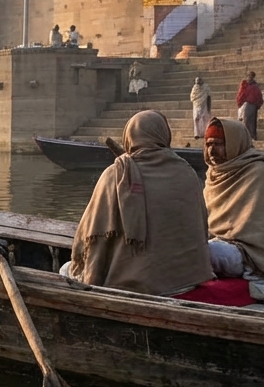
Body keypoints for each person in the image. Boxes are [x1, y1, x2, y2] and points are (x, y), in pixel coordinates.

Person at [66, 110, 213, 296]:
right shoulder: (188, 172)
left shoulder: (114, 175)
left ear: (129, 137)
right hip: (188, 281)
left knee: (67, 269)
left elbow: (92, 237)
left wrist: (89, 274)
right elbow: (201, 226)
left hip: (134, 286)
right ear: (164, 135)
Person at [203, 117, 264, 279]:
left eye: (218, 144)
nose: (212, 150)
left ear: (235, 144)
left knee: (201, 253)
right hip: (214, 243)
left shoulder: (258, 172)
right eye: (209, 144)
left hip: (247, 254)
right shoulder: (213, 174)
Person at [236, 71, 262, 141]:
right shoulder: (245, 85)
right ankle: (249, 135)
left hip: (252, 105)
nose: (249, 77)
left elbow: (258, 96)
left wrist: (258, 104)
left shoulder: (254, 86)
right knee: (247, 121)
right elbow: (241, 94)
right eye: (249, 76)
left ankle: (251, 135)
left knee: (250, 121)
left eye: (251, 76)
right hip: (247, 105)